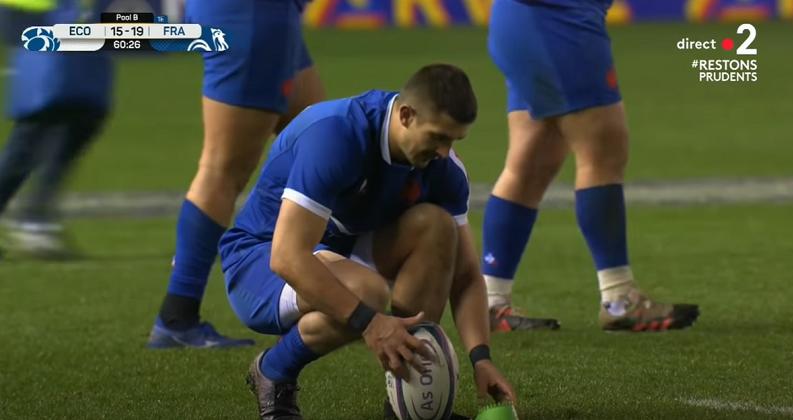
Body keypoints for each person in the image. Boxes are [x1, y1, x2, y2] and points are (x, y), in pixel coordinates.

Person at [218, 64, 516, 419]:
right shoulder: (336, 135)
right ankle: (274, 371)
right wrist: (373, 323)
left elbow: (466, 277)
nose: (444, 151)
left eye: (453, 140)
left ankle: (405, 404)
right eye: (437, 137)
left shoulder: (444, 169)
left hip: (340, 249)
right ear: (405, 115)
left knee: (436, 227)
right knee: (366, 294)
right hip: (259, 259)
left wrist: (481, 359)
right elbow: (287, 257)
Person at [482, 0, 700, 332]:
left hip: (519, 21)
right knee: (603, 151)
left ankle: (489, 301)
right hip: (561, 21)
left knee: (531, 163)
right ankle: (619, 298)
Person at [147, 0, 326, 348]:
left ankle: (337, 285)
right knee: (222, 169)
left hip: (265, 13)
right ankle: (177, 317)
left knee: (317, 141)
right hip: (251, 13)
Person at [0, 0, 111, 259]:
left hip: (76, 20)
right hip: (45, 16)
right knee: (42, 119)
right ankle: (34, 218)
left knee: (83, 115)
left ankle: (35, 214)